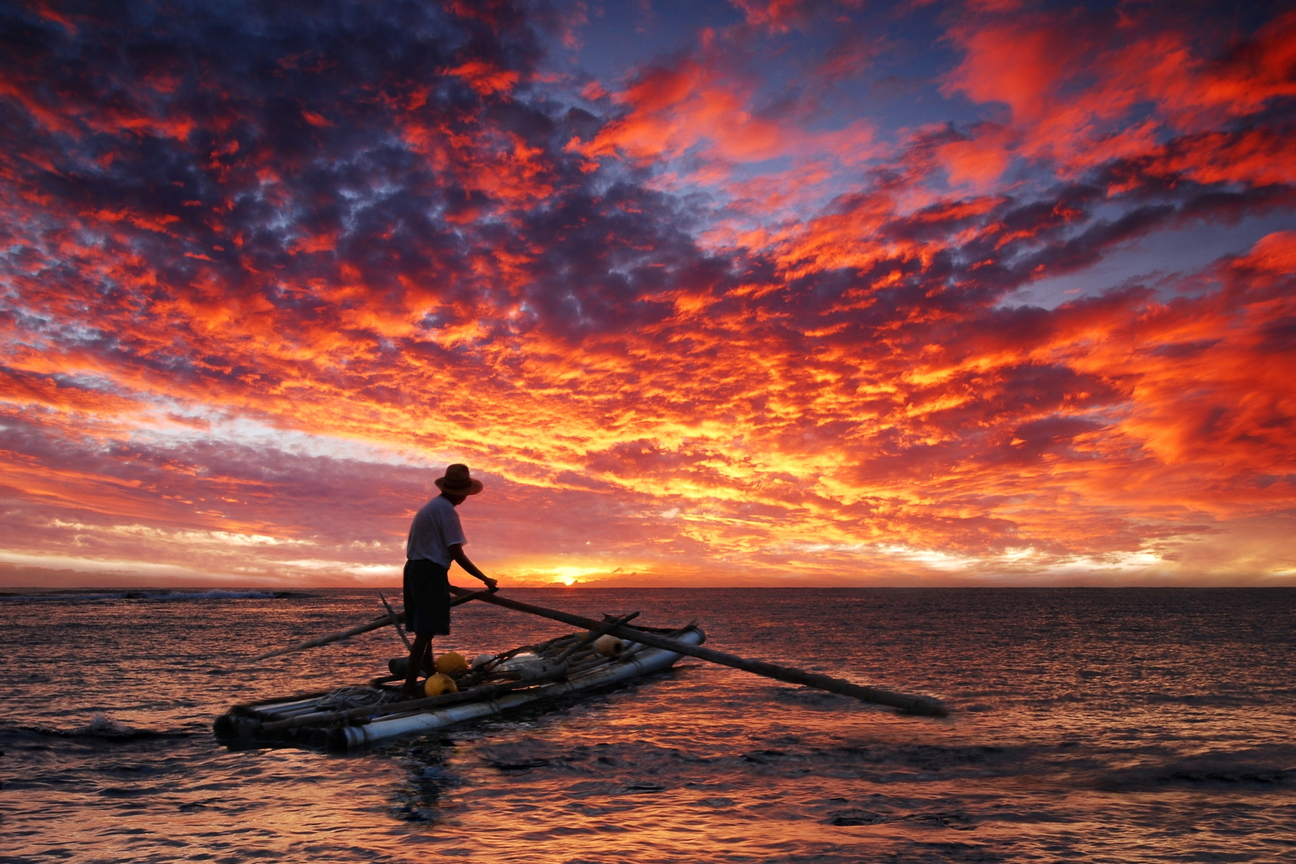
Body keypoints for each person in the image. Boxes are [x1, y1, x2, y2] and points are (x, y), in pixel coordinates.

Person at [401, 463, 497, 697]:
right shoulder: (446, 512)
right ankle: (409, 688)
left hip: (415, 569)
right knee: (425, 631)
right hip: (429, 571)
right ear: (463, 493)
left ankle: (429, 674)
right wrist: (485, 579)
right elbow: (457, 553)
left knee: (426, 629)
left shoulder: (432, 507)